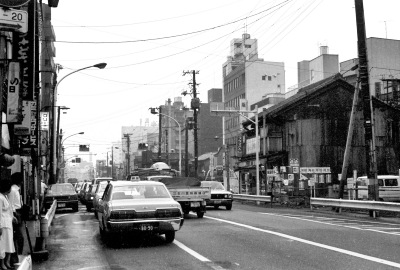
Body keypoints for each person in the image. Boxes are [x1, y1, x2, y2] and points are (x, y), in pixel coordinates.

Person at [8, 173, 24, 267]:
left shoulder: (16, 190)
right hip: (15, 214)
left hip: (18, 213)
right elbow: (11, 204)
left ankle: (17, 257)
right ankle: (15, 257)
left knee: (17, 237)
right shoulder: (13, 190)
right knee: (18, 237)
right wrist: (14, 215)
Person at [0, 179, 16, 270]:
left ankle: (7, 262)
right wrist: (0, 226)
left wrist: (12, 217)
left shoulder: (5, 196)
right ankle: (2, 264)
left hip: (8, 223)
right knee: (2, 245)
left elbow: (9, 210)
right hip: (3, 224)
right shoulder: (0, 197)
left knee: (9, 243)